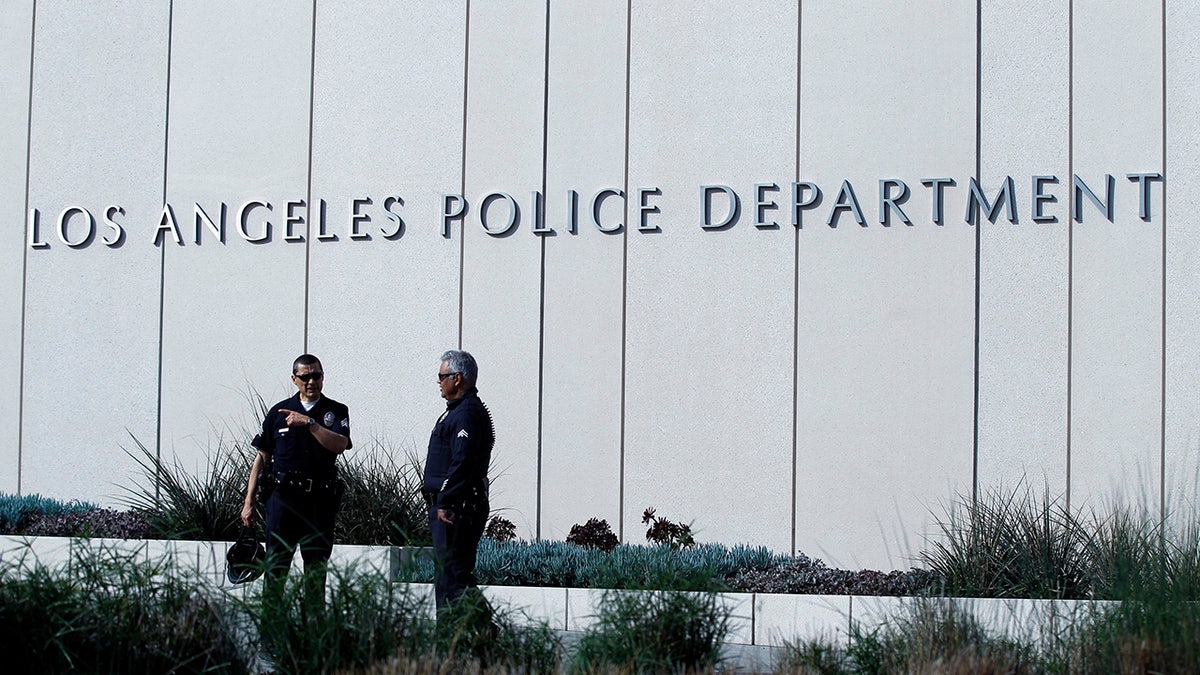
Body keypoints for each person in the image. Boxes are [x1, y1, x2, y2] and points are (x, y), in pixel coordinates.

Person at [241, 353, 351, 610]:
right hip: (283, 500)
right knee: (276, 569)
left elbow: (340, 444)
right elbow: (261, 457)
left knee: (315, 572)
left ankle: (313, 637)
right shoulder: (278, 413)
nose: (311, 381)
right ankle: (271, 639)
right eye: (305, 377)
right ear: (294, 379)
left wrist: (310, 423)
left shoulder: (335, 411)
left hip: (319, 502)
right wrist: (248, 502)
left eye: (317, 376)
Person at [423, 349, 495, 612]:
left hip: (457, 509)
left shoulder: (466, 414)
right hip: (451, 506)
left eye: (442, 376)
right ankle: (477, 633)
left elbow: (462, 462)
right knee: (451, 577)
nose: (439, 382)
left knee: (452, 579)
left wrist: (446, 499)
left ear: (458, 379)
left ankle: (459, 639)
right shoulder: (455, 412)